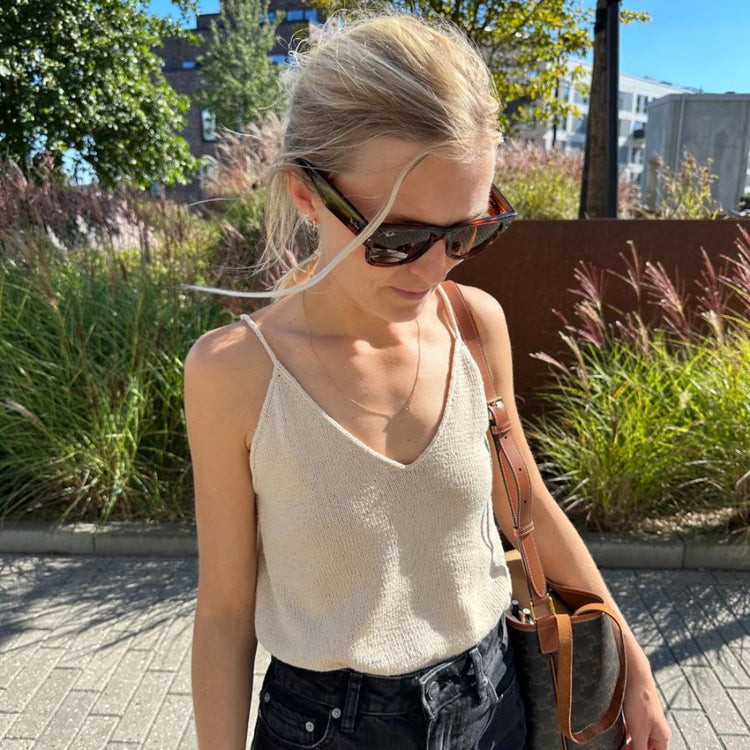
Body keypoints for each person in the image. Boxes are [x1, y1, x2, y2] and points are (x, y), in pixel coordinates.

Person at [183, 6, 672, 750]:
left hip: (495, 704)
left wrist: (632, 669)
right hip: (326, 727)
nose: (434, 267)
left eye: (467, 232)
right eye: (399, 237)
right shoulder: (234, 373)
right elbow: (224, 615)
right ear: (305, 193)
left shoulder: (474, 325)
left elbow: (528, 508)